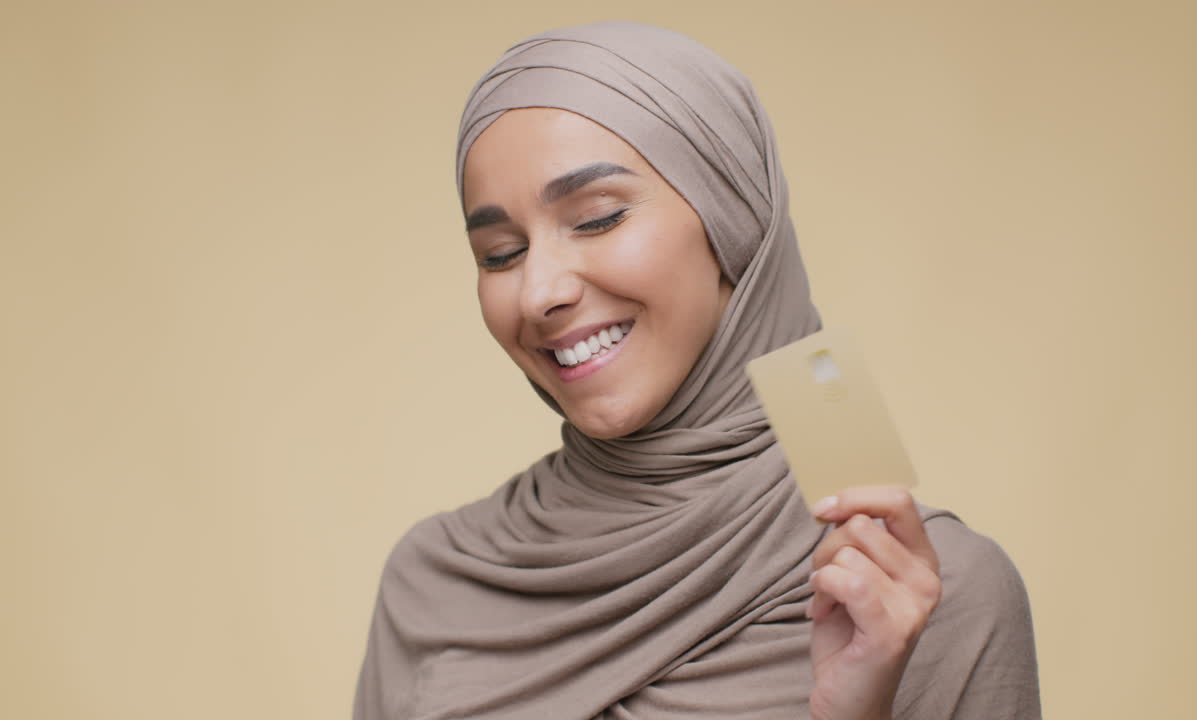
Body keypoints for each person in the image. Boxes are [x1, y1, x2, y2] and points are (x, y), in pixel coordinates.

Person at [354, 21, 1039, 720]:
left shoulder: (930, 596)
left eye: (596, 219)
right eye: (500, 254)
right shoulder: (433, 582)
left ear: (734, 225)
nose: (538, 293)